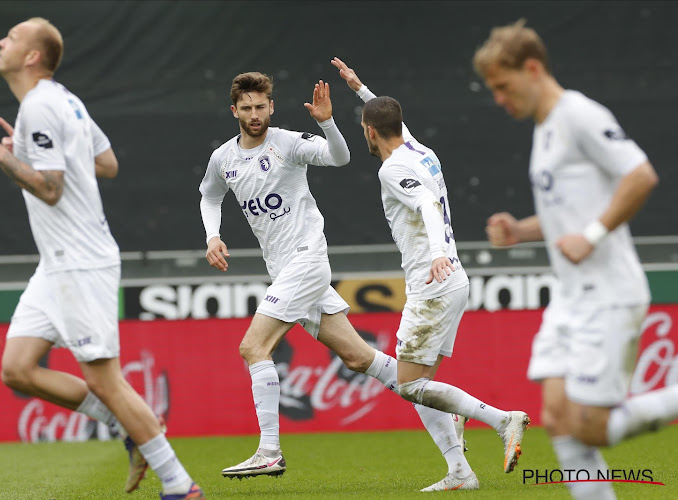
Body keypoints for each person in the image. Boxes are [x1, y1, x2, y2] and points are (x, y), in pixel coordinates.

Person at [0, 18, 203, 500]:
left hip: (80, 261)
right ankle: (128, 427)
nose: (0, 42)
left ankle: (180, 484)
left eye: (10, 38)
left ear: (32, 56)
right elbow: (107, 162)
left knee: (105, 380)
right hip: (56, 265)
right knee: (17, 368)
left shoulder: (38, 105)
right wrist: (26, 156)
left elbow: (51, 189)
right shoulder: (65, 100)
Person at [200, 71, 467, 482]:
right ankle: (456, 423)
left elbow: (340, 157)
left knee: (253, 347)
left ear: (271, 107)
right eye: (247, 108)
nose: (255, 115)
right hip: (284, 269)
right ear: (234, 110)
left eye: (261, 107)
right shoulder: (223, 158)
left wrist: (327, 121)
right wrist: (213, 235)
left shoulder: (288, 143)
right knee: (360, 358)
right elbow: (210, 195)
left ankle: (269, 451)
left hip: (306, 260)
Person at [473, 20, 678, 500]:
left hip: (608, 294)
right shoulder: (545, 131)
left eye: (503, 86)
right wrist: (521, 230)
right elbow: (569, 212)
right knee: (559, 421)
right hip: (571, 297)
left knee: (592, 429)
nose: (500, 99)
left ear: (533, 68)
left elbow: (640, 174)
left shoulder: (578, 114)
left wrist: (592, 234)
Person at [332, 57, 531, 491]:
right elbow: (391, 122)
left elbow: (426, 203)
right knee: (423, 385)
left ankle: (503, 420)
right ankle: (460, 472)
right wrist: (361, 89)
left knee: (408, 386)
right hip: (454, 282)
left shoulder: (391, 169)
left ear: (367, 131)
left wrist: (437, 253)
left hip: (433, 283)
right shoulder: (421, 150)